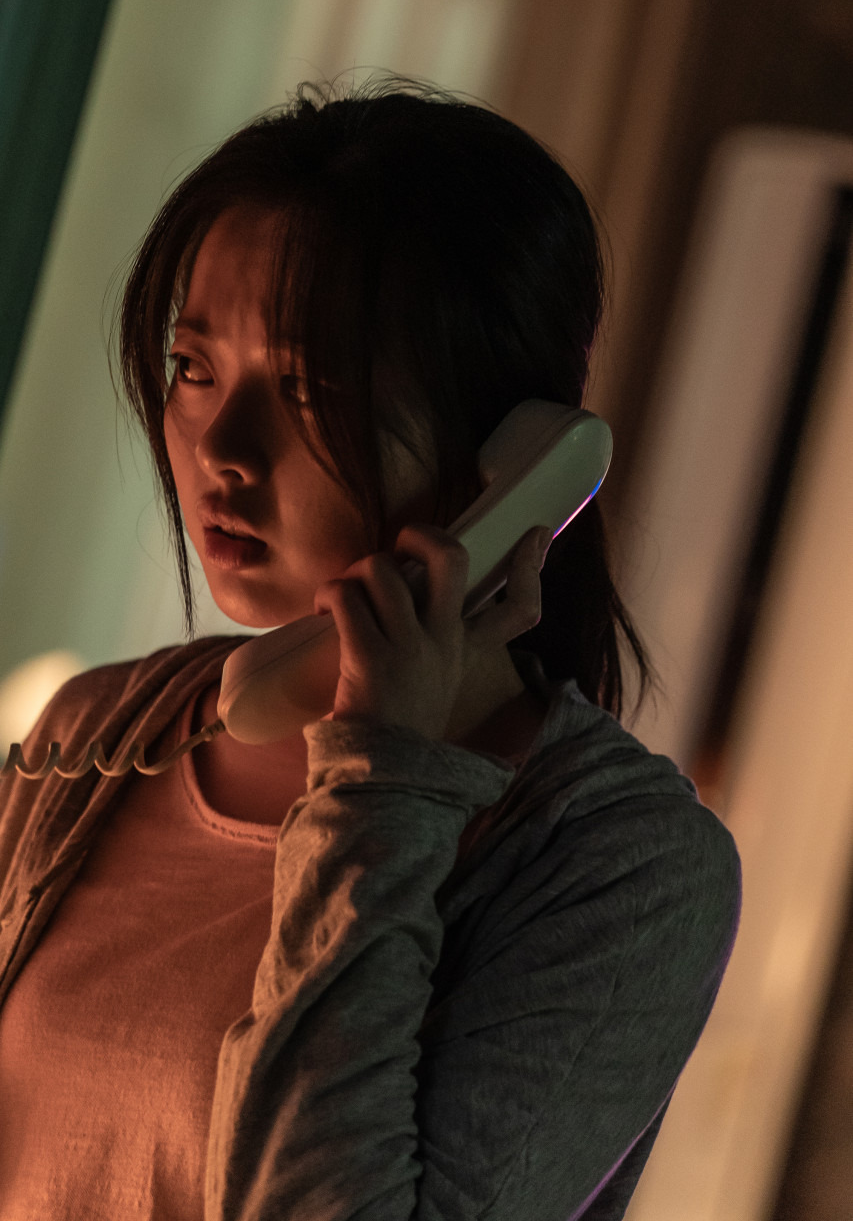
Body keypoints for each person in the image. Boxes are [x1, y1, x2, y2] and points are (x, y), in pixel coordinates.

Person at [0, 75, 741, 1219]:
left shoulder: (622, 866)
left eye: (307, 386)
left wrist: (385, 781)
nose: (221, 446)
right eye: (193, 367)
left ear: (509, 453)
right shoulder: (99, 736)